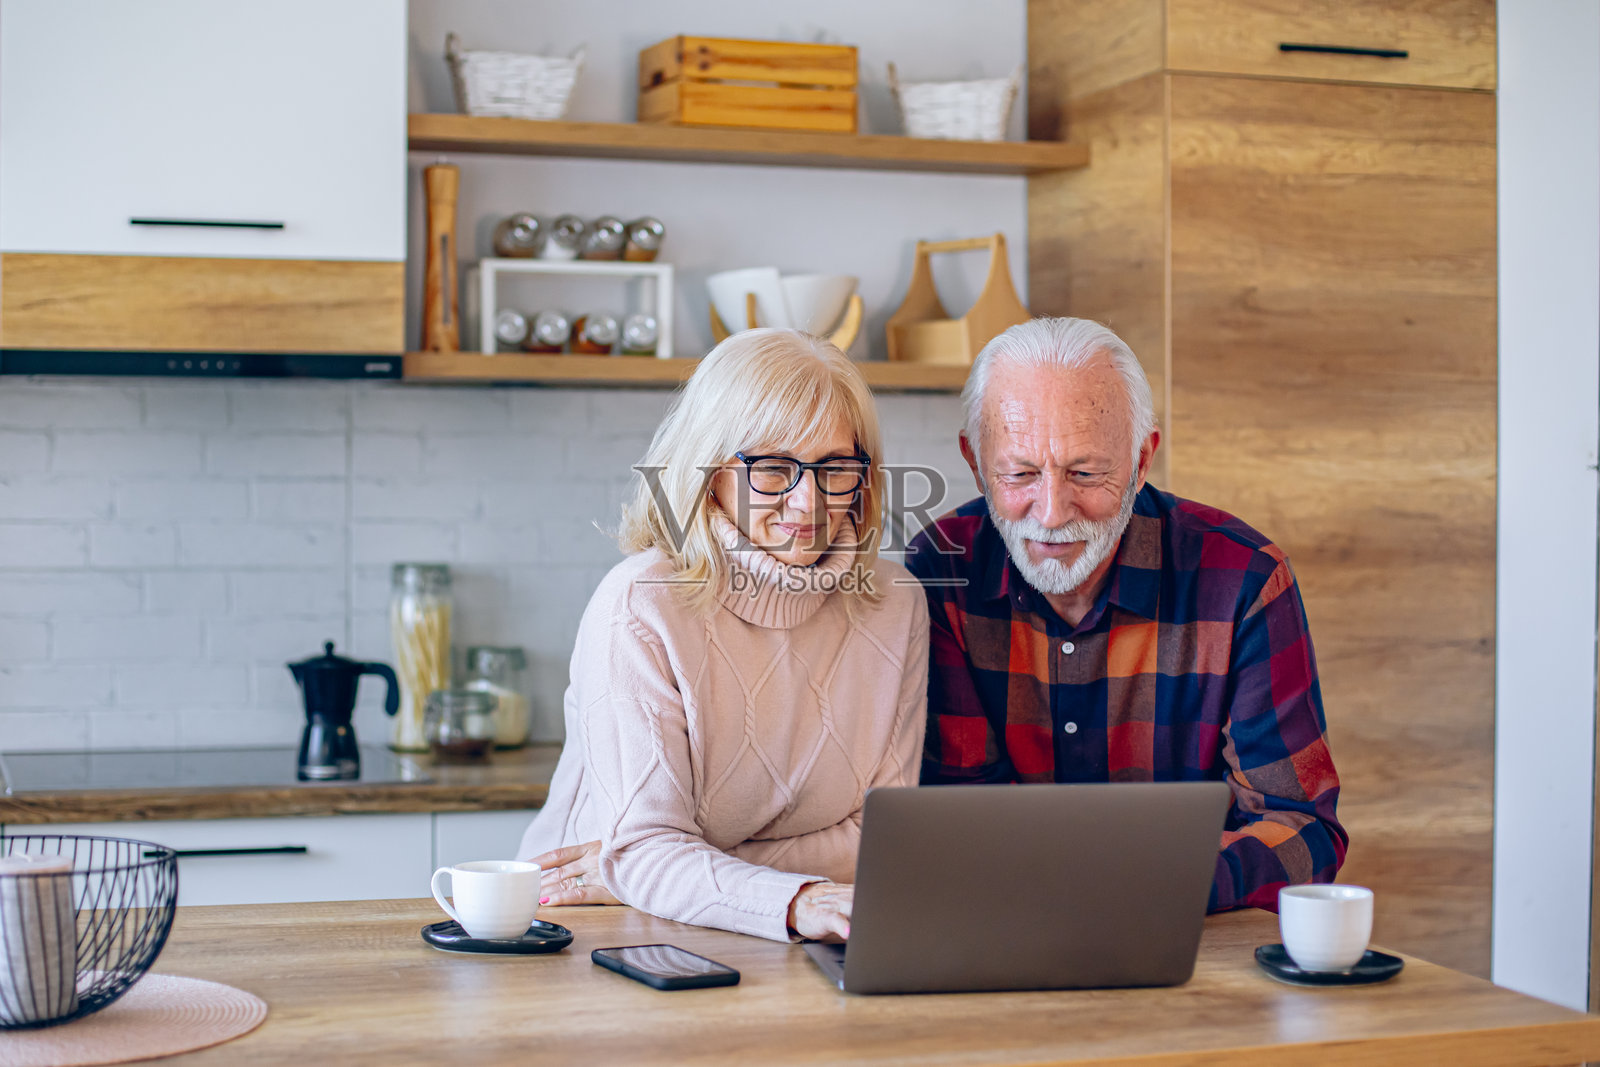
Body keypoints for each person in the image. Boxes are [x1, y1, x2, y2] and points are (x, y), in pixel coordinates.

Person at [906, 316, 1346, 911]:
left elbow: (1302, 830)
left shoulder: (1243, 580)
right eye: (1019, 474)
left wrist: (1143, 882)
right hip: (1000, 923)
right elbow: (957, 813)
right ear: (976, 463)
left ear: (1141, 461)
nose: (1052, 513)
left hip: (1185, 929)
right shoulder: (940, 570)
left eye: (1086, 473)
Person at [519, 328, 929, 942]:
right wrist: (782, 894)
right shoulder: (640, 605)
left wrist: (663, 871)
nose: (808, 501)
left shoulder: (896, 605)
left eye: (835, 467)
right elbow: (646, 851)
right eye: (772, 467)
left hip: (794, 930)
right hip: (593, 928)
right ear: (709, 471)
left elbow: (881, 838)